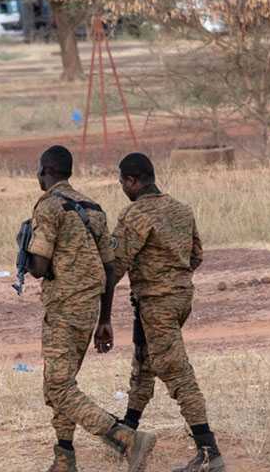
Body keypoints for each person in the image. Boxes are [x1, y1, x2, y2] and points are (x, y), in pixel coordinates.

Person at [26, 145, 156, 472]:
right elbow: (110, 269)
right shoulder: (92, 208)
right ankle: (64, 457)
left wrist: (26, 256)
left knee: (58, 385)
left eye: (39, 171)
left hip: (63, 308)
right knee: (62, 382)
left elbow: (40, 266)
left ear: (46, 171)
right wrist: (105, 319)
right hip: (88, 310)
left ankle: (124, 438)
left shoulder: (49, 207)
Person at [98, 152, 225, 472]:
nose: (122, 187)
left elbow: (115, 269)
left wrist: (105, 317)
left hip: (157, 304)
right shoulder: (181, 209)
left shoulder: (135, 215)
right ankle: (126, 432)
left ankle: (209, 452)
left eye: (122, 181)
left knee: (177, 374)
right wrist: (174, 279)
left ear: (132, 180)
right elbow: (196, 256)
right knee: (143, 362)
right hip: (180, 298)